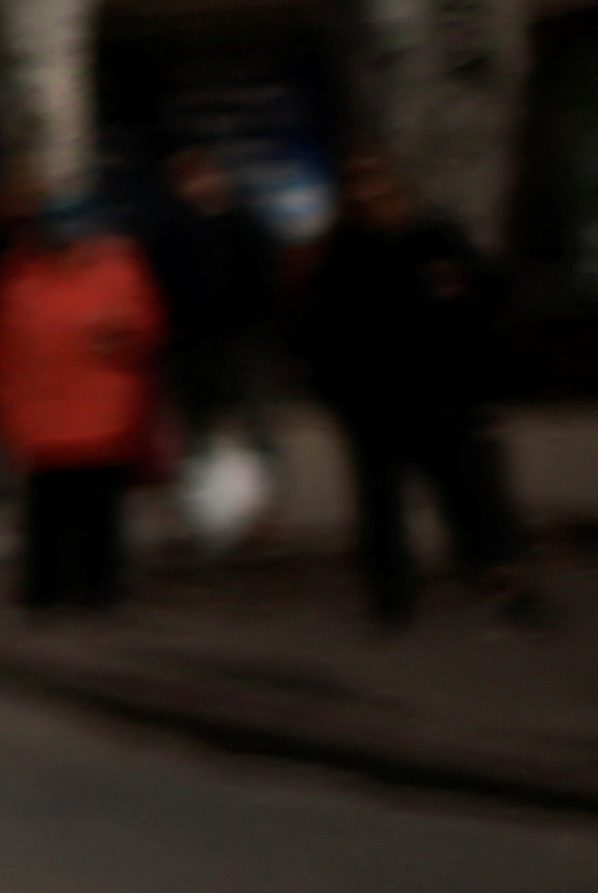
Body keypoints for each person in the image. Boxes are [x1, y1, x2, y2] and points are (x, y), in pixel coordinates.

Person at [292, 147, 547, 630]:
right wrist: (339, 388)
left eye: (377, 186)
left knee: (472, 497)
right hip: (375, 401)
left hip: (442, 393)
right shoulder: (344, 250)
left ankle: (500, 584)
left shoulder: (435, 236)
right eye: (359, 188)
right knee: (382, 505)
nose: (369, 197)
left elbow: (488, 298)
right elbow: (317, 328)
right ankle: (392, 599)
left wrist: (484, 377)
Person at [0, 184, 166, 615]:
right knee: (54, 514)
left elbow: (144, 333)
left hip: (97, 418)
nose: (68, 247)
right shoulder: (23, 278)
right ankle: (58, 591)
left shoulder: (111, 271)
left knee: (92, 513)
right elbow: (1, 352)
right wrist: (7, 409)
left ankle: (88, 591)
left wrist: (119, 344)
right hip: (48, 420)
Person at [136, 143, 285, 549]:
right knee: (195, 431)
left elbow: (265, 278)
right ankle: (205, 514)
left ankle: (262, 509)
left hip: (238, 338)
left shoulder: (241, 224)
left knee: (256, 425)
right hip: (190, 342)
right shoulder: (169, 228)